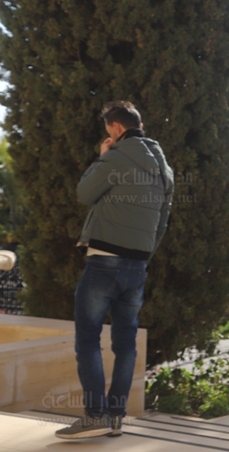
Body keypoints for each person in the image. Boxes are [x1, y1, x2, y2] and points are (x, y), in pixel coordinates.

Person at [56, 101, 173, 439]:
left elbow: (84, 193)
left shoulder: (116, 157)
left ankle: (95, 415)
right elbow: (163, 221)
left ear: (117, 128)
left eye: (109, 130)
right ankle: (116, 417)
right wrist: (142, 256)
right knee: (126, 344)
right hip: (137, 265)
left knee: (88, 339)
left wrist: (102, 156)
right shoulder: (164, 167)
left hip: (104, 261)